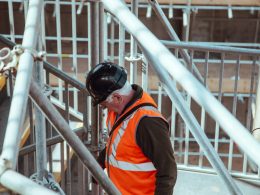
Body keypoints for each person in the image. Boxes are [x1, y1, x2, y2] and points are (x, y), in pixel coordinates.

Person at [86, 62, 177, 195]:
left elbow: (168, 171)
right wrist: (99, 166)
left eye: (104, 103)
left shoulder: (147, 122)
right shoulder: (118, 112)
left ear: (117, 97)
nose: (102, 107)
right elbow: (118, 145)